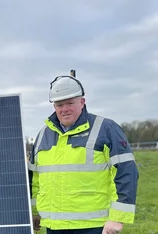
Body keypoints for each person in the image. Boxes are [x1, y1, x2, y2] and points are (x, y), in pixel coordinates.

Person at [28, 75, 139, 234]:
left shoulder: (105, 129)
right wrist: (33, 212)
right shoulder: (43, 134)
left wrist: (117, 218)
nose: (64, 109)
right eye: (59, 104)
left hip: (93, 226)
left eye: (70, 103)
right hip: (54, 227)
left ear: (82, 102)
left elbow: (126, 172)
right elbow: (36, 178)